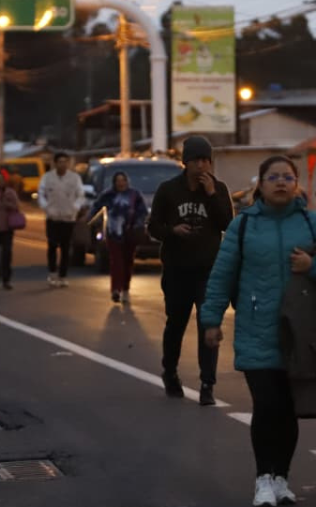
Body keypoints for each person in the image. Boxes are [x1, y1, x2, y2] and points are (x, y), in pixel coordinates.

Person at [200, 156, 316, 507]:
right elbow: (223, 274)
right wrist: (211, 320)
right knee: (267, 405)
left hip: (301, 331)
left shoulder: (312, 223)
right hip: (257, 328)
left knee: (288, 409)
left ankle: (282, 478)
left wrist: (314, 266)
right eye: (273, 177)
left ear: (296, 183)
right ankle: (263, 479)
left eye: (287, 177)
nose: (280, 182)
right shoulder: (244, 226)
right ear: (260, 184)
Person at [147, 136, 233, 404]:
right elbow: (153, 227)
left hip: (208, 269)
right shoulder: (168, 190)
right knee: (176, 323)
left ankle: (208, 383)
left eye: (207, 160)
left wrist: (211, 195)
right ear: (186, 162)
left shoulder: (218, 188)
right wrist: (172, 231)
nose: (202, 166)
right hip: (177, 268)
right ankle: (170, 372)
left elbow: (228, 223)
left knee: (208, 324)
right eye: (197, 160)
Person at [90, 171, 149, 303]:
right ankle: (116, 289)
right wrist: (90, 219)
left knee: (128, 262)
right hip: (114, 233)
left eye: (123, 180)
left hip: (130, 233)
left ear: (127, 182)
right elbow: (96, 207)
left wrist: (139, 224)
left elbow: (143, 212)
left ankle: (126, 289)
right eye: (118, 181)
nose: (121, 183)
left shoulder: (135, 195)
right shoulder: (108, 194)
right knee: (116, 261)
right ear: (114, 182)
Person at [38, 151, 85, 288]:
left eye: (65, 162)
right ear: (55, 163)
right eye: (60, 162)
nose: (62, 164)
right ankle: (52, 273)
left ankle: (63, 275)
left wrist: (74, 208)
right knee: (52, 246)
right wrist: (46, 208)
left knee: (65, 248)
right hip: (52, 217)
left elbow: (80, 195)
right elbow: (41, 194)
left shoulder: (74, 178)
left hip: (68, 218)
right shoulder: (47, 178)